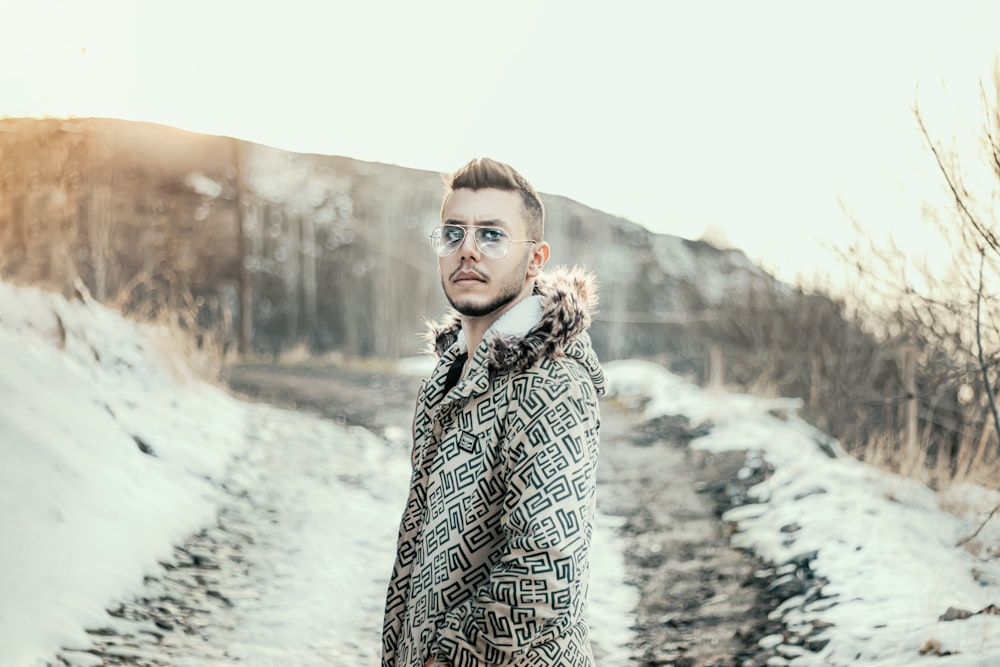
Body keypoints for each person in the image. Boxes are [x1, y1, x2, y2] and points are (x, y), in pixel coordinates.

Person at [381, 157, 606, 667]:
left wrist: (448, 656)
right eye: (453, 233)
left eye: (492, 236)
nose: (467, 250)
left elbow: (546, 567)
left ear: (535, 259)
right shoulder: (449, 375)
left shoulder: (554, 382)